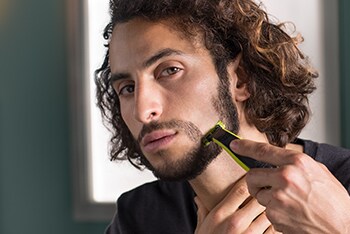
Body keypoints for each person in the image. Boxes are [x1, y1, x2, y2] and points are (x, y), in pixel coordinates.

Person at [95, 0, 350, 233]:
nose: (142, 111)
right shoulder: (139, 218)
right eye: (127, 88)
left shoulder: (344, 186)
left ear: (241, 78)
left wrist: (340, 226)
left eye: (170, 70)